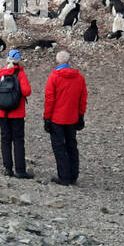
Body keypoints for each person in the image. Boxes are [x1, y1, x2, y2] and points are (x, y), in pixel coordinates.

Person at [42, 50, 87, 186]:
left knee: (59, 147)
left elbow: (50, 100)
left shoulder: (54, 77)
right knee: (72, 146)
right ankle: (73, 176)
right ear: (68, 62)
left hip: (57, 118)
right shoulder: (79, 78)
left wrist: (46, 118)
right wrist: (81, 115)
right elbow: (83, 98)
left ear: (57, 62)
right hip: (72, 118)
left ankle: (64, 177)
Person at [0, 48, 33, 179]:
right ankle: (20, 170)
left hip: (2, 113)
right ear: (18, 61)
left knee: (5, 139)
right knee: (18, 140)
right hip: (17, 113)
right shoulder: (20, 74)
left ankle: (7, 168)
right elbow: (27, 92)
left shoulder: (0, 73)